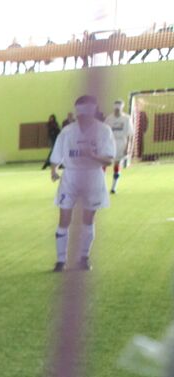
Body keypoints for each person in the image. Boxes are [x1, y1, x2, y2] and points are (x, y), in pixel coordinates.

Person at [50, 95, 116, 272]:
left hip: (92, 177)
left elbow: (109, 160)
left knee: (88, 218)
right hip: (70, 177)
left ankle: (84, 257)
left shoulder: (103, 131)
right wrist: (54, 170)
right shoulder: (67, 131)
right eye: (79, 114)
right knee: (64, 218)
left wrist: (93, 156)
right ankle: (60, 260)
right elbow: (56, 154)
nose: (81, 118)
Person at [108, 99, 134, 193]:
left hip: (121, 143)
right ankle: (100, 186)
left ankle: (114, 187)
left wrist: (128, 147)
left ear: (121, 109)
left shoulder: (127, 118)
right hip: (110, 143)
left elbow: (130, 135)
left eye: (118, 109)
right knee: (103, 163)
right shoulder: (109, 119)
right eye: (115, 109)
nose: (117, 111)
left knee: (117, 163)